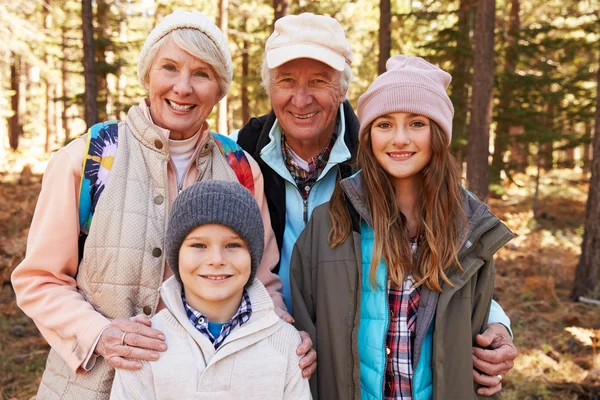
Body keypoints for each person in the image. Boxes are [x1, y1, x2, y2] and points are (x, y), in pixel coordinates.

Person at [11, 10, 314, 399]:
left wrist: (287, 338)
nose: (183, 88)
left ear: (219, 89)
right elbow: (39, 279)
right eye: (169, 68)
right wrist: (98, 333)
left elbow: (261, 280)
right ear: (148, 75)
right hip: (88, 388)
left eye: (202, 74)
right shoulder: (90, 158)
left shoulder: (239, 168)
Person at [234, 12, 517, 395]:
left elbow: (459, 265)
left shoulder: (374, 154)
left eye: (318, 81)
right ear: (270, 88)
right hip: (276, 349)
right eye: (286, 81)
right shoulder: (240, 155)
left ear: (343, 88)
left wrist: (496, 327)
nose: (301, 99)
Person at [291, 55, 515, 400]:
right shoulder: (330, 223)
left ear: (438, 134)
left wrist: (499, 333)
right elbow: (304, 335)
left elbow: (477, 328)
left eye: (416, 123)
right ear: (367, 136)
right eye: (384, 125)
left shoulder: (469, 229)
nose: (399, 139)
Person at [110, 181, 311, 399]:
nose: (216, 260)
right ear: (176, 255)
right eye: (199, 246)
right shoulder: (145, 344)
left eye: (233, 245)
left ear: (253, 257)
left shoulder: (286, 343)